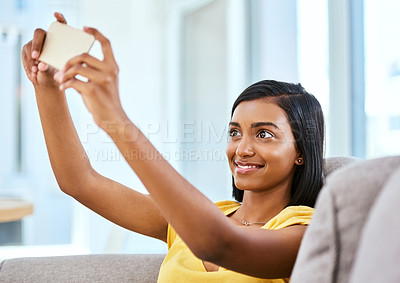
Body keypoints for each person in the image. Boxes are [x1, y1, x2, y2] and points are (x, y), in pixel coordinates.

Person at [21, 12, 325, 282]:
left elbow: (219, 244)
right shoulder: (197, 218)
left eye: (264, 134)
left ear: (301, 152)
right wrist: (47, 86)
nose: (242, 149)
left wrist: (116, 120)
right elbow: (79, 182)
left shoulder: (307, 232)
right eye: (235, 132)